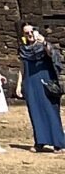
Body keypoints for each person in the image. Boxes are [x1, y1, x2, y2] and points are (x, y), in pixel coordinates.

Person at [19, 24, 64, 154]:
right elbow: (22, 68)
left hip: (46, 82)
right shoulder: (23, 49)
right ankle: (40, 142)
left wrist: (43, 42)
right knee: (35, 113)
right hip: (30, 83)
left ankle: (59, 143)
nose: (29, 34)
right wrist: (19, 84)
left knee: (51, 111)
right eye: (26, 33)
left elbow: (53, 56)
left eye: (31, 31)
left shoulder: (45, 46)